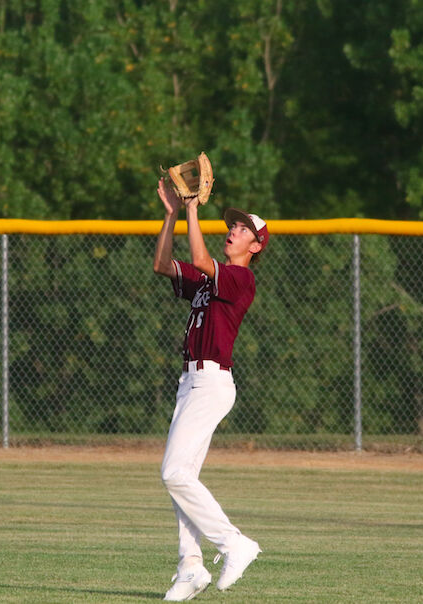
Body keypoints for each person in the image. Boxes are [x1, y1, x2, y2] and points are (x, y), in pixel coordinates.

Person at [152, 176, 269, 601]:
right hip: (192, 381)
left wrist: (192, 208)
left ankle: (234, 543)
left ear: (254, 246)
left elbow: (199, 256)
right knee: (183, 477)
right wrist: (171, 216)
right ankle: (190, 566)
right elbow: (163, 265)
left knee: (173, 473)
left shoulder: (240, 279)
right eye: (233, 226)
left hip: (212, 381)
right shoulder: (207, 282)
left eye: (242, 229)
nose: (233, 230)